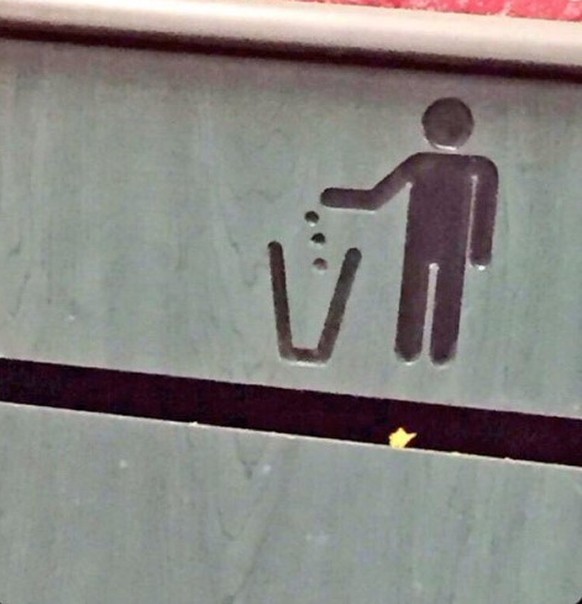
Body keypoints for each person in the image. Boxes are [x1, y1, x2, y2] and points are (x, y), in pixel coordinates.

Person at [321, 98, 498, 364]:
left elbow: (376, 198)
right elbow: (376, 197)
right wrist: (337, 198)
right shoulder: (426, 164)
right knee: (424, 291)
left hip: (444, 245)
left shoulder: (468, 166)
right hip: (428, 243)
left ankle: (433, 349)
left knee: (442, 293)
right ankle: (414, 347)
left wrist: (480, 249)